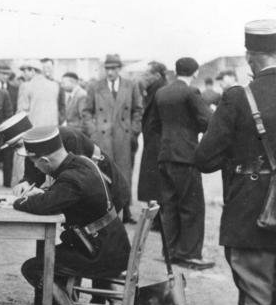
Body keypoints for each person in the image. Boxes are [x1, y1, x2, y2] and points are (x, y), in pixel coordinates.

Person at [199, 19, 276, 305]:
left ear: (251, 57)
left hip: (253, 212)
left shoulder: (239, 97)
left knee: (255, 295)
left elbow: (205, 159)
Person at [14, 126, 130, 305]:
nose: (36, 168)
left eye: (35, 163)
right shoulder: (81, 163)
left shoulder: (71, 178)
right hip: (105, 243)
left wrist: (19, 202)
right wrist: (46, 196)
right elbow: (55, 198)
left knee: (35, 268)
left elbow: (43, 205)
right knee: (48, 263)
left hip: (100, 253)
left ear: (45, 160)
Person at [147, 57, 213, 269]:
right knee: (191, 206)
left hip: (165, 154)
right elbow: (207, 120)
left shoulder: (162, 92)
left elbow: (154, 124)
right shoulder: (190, 92)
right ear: (195, 72)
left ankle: (170, 251)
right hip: (186, 156)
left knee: (170, 205)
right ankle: (190, 254)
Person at [82, 53, 143, 224]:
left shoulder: (131, 85)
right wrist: (93, 131)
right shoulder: (95, 86)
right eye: (107, 69)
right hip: (103, 137)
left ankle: (126, 211)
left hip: (123, 136)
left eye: (113, 69)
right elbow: (87, 111)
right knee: (105, 174)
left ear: (119, 69)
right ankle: (107, 212)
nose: (110, 72)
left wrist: (133, 131)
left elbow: (138, 110)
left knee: (125, 172)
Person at [137, 61, 168, 210]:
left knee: (156, 178)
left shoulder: (160, 90)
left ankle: (157, 213)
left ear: (156, 75)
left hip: (157, 141)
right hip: (153, 139)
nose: (144, 76)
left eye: (147, 74)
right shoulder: (154, 88)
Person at [17, 59, 60, 127]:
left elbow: (22, 112)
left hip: (34, 129)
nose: (23, 74)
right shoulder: (55, 85)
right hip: (52, 129)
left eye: (25, 71)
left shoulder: (26, 86)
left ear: (33, 71)